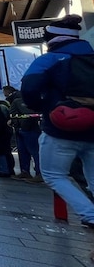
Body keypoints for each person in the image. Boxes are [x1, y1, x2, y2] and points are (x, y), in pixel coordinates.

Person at [21, 15, 94, 229]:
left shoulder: (49, 59)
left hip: (61, 126)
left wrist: (42, 107)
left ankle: (89, 214)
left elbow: (29, 88)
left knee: (54, 174)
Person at [3, 85, 42, 182]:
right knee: (24, 151)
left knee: (33, 152)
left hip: (26, 129)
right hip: (23, 129)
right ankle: (26, 172)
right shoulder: (19, 100)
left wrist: (20, 126)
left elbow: (28, 115)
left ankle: (38, 173)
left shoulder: (19, 100)